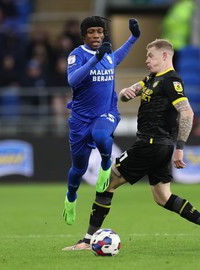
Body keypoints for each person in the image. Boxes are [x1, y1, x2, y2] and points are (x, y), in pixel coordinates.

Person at [62, 39, 200, 250]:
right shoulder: (153, 78)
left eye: (150, 56)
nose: (147, 60)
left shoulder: (171, 81)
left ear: (165, 56)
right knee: (163, 197)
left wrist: (180, 148)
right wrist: (125, 93)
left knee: (106, 184)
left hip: (150, 145)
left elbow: (187, 113)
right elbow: (128, 93)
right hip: (159, 148)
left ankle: (87, 241)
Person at [63, 16, 141, 225]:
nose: (96, 35)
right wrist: (96, 58)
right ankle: (71, 198)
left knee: (100, 135)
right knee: (78, 169)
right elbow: (73, 80)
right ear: (84, 35)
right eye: (91, 32)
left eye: (99, 31)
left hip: (107, 112)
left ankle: (106, 166)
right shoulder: (77, 55)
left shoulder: (107, 54)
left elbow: (117, 57)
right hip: (80, 120)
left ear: (104, 33)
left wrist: (134, 38)